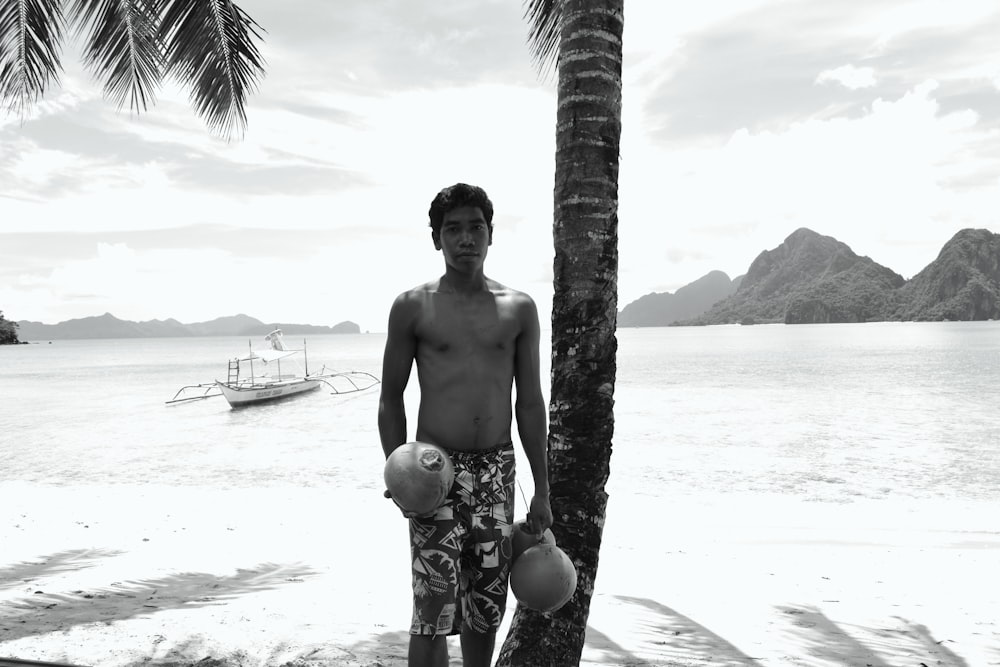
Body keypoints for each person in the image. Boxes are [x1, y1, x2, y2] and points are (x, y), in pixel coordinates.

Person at [378, 183, 553, 667]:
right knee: (431, 608)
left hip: (497, 473)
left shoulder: (518, 309)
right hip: (434, 473)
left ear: (491, 235)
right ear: (437, 239)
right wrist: (397, 474)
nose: (465, 239)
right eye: (452, 229)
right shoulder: (413, 306)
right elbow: (391, 396)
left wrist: (542, 488)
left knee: (486, 608)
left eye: (475, 227)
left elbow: (531, 403)